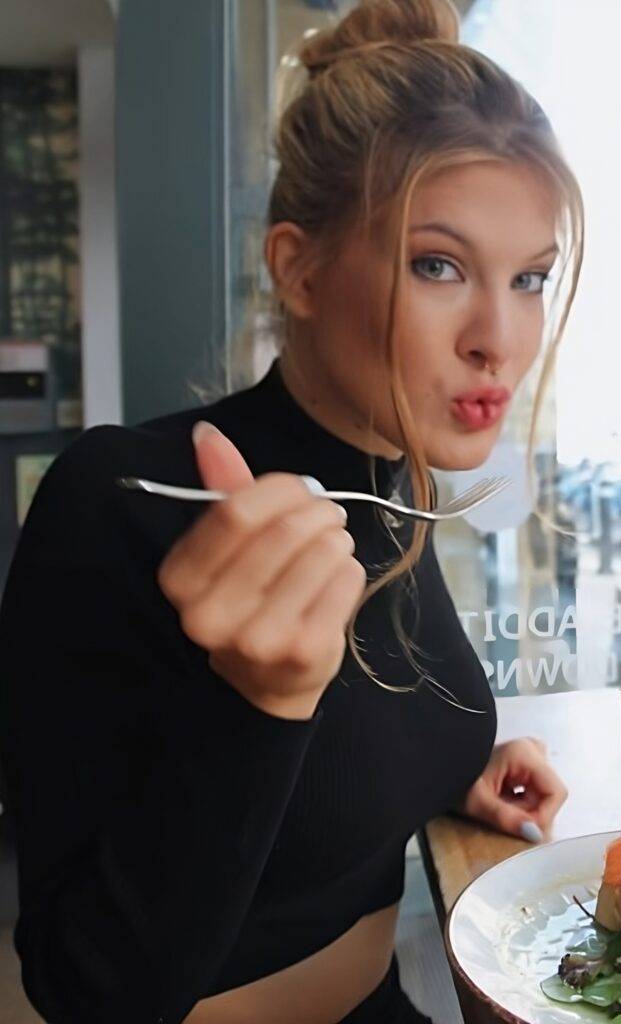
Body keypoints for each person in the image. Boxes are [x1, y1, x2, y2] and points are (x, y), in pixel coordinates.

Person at [0, 0, 585, 1020]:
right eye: (437, 264)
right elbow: (78, 986)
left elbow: (328, 770)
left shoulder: (394, 483)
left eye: (529, 276)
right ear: (297, 266)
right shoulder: (123, 499)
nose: (500, 337)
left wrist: (449, 768)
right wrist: (254, 704)